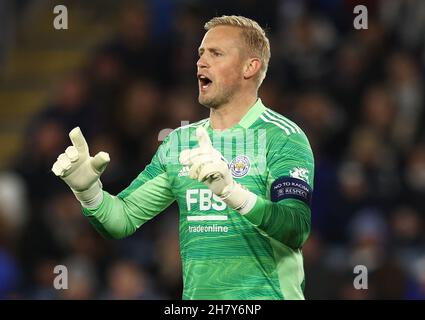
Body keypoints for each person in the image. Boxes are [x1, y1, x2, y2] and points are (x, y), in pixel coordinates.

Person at [52, 15, 315, 300]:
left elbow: (295, 227)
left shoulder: (283, 137)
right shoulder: (180, 142)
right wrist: (89, 193)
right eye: (201, 53)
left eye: (216, 53)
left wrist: (232, 193)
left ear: (250, 67)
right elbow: (122, 220)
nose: (201, 62)